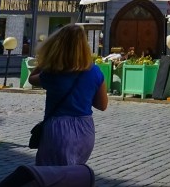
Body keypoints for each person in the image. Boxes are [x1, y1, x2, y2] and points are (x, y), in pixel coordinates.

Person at [27, 24, 109, 166]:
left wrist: (47, 59)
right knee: (73, 173)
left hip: (58, 128)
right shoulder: (95, 72)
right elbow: (102, 105)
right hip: (85, 128)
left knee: (51, 174)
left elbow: (32, 78)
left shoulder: (53, 73)